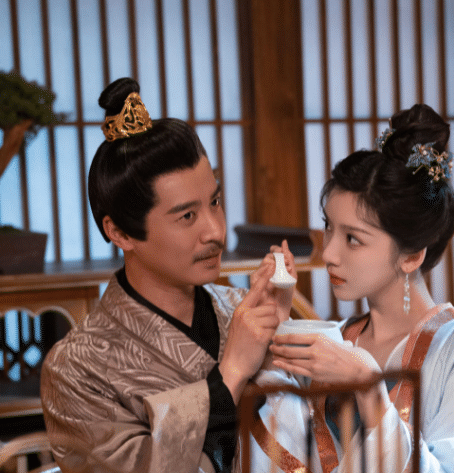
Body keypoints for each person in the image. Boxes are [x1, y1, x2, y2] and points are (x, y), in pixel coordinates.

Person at [40, 77, 296, 473]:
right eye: (188, 216)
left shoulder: (241, 311)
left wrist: (284, 336)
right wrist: (231, 374)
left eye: (215, 201)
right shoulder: (76, 369)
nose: (215, 231)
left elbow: (313, 437)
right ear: (120, 233)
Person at [252, 104, 454, 472]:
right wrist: (276, 333)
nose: (328, 253)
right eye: (329, 227)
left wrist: (369, 389)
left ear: (411, 256)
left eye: (353, 239)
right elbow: (274, 457)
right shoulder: (329, 344)